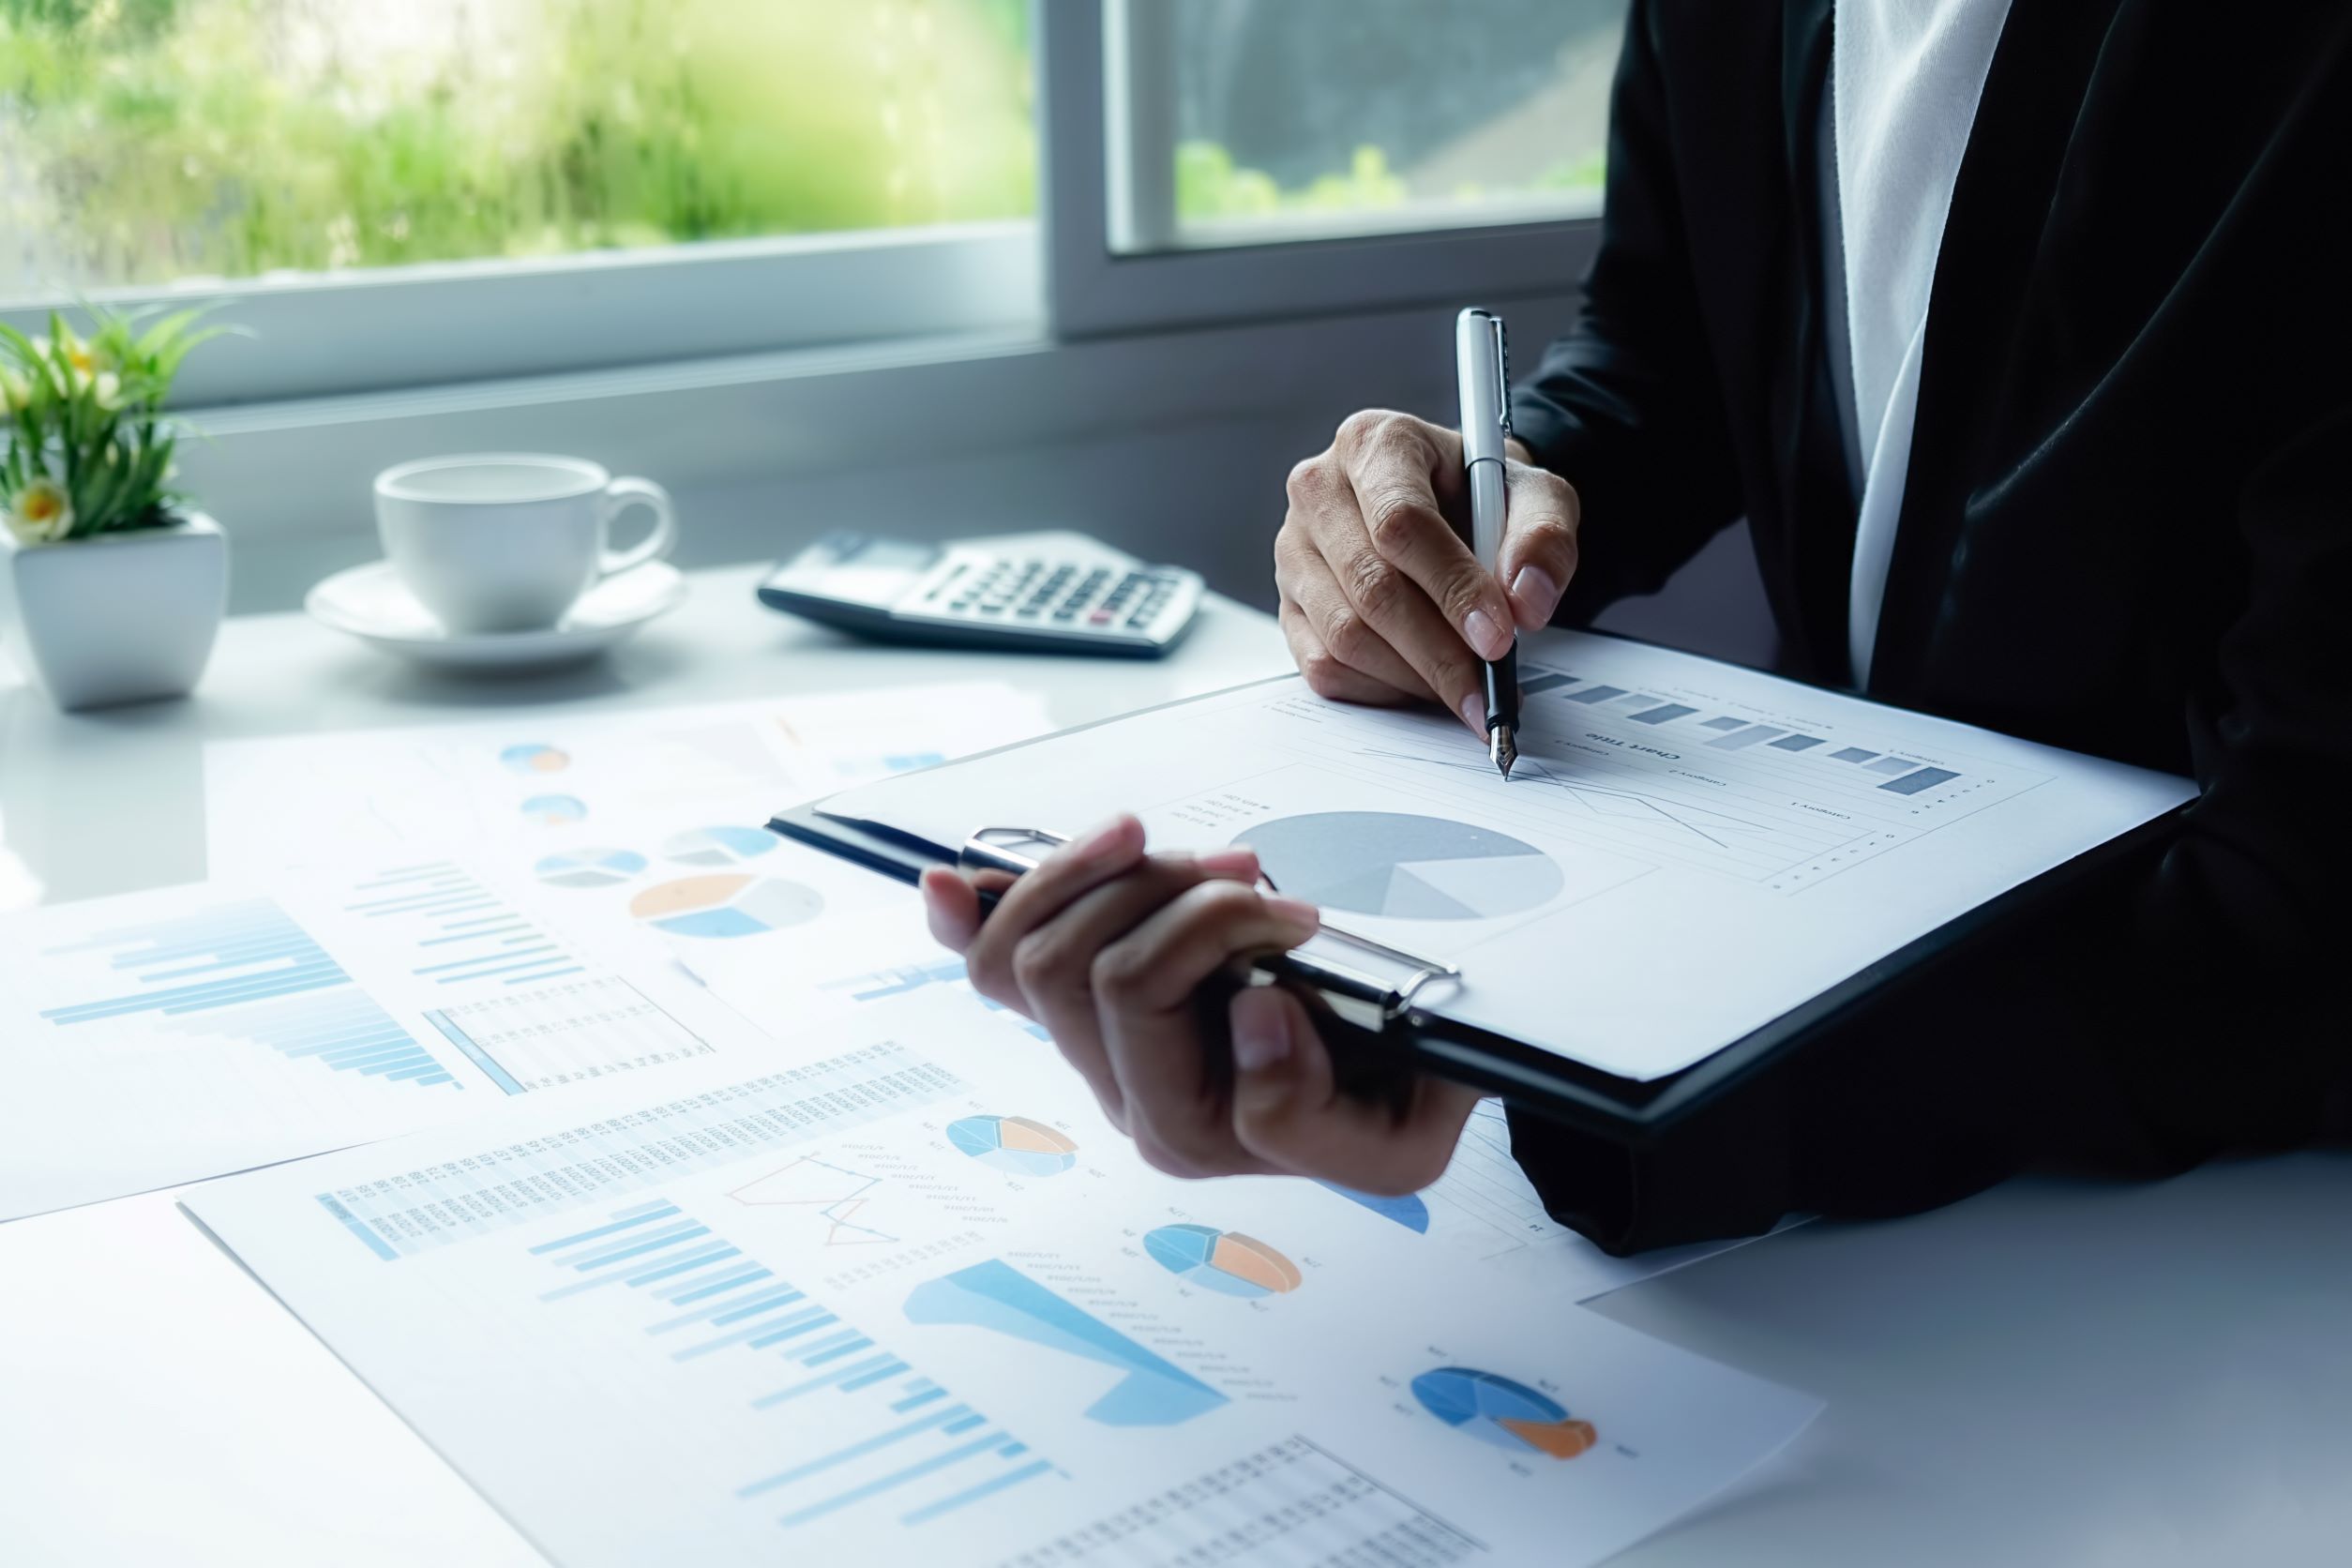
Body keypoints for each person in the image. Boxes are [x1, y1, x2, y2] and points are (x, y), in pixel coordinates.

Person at [922, 1, 2352, 1251]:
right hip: (1906, 1119)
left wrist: (1580, 1069)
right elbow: (1668, 338)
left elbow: (2303, 917)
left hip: (2223, 1232)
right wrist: (1484, 502)